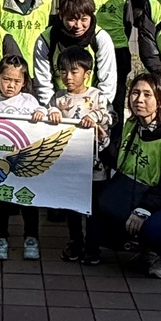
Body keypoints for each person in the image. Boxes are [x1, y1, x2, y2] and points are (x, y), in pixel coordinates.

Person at [97, 74, 161, 279]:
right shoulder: (133, 124)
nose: (139, 99)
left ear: (160, 100)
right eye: (135, 93)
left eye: (147, 94)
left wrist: (143, 210)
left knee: (157, 229)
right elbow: (121, 161)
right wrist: (104, 143)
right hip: (139, 190)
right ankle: (146, 247)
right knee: (100, 213)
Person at [37, 46, 112, 266]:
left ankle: (92, 245)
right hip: (68, 166)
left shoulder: (97, 96)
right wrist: (49, 113)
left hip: (94, 166)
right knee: (72, 207)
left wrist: (95, 118)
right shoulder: (57, 99)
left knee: (94, 208)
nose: (68, 77)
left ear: (87, 73)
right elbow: (46, 115)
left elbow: (107, 116)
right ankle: (75, 241)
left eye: (74, 71)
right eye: (63, 72)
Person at [0, 55, 47, 261]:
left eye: (16, 81)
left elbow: (44, 116)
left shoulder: (30, 101)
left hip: (23, 164)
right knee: (0, 202)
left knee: (28, 202)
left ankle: (31, 238)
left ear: (24, 82)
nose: (11, 85)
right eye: (6, 79)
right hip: (0, 165)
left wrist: (41, 113)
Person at [76, 0, 131, 160]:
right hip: (85, 52)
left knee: (114, 106)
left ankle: (112, 154)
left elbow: (128, 24)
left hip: (117, 53)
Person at [33, 0, 117, 110]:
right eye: (71, 19)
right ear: (61, 16)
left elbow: (107, 82)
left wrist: (98, 111)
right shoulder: (46, 40)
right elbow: (43, 83)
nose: (78, 26)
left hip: (92, 107)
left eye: (84, 19)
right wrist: (52, 109)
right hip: (57, 107)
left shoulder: (101, 38)